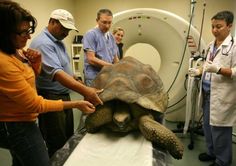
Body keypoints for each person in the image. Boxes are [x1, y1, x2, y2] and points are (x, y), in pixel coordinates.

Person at [0, 1, 98, 166]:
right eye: (23, 32)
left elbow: (29, 78)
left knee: (22, 159)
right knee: (54, 146)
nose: (29, 36)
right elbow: (35, 102)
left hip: (31, 115)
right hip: (18, 123)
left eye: (29, 30)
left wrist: (36, 64)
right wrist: (79, 100)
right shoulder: (8, 60)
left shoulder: (16, 50)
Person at [29, 9, 103, 157]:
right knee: (56, 140)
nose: (66, 33)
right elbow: (57, 74)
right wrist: (85, 91)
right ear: (52, 22)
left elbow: (64, 68)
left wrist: (76, 79)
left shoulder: (59, 42)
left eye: (69, 29)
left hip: (63, 94)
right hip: (50, 96)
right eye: (64, 28)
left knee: (67, 135)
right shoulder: (43, 43)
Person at [189, 11, 236, 166]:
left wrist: (219, 70)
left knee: (220, 129)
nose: (215, 30)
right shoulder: (211, 45)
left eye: (219, 27)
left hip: (223, 95)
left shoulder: (234, 46)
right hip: (207, 92)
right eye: (213, 27)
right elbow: (207, 65)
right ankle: (211, 152)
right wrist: (198, 71)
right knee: (207, 125)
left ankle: (223, 161)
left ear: (229, 26)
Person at [82, 8, 119, 86]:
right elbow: (91, 59)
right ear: (97, 20)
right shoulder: (91, 34)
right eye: (104, 22)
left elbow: (115, 58)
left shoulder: (111, 37)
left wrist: (119, 68)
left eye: (109, 23)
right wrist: (112, 67)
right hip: (94, 77)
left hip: (107, 76)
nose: (107, 26)